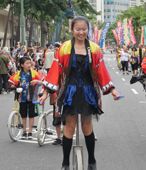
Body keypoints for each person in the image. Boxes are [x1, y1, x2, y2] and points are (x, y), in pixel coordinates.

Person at [39, 16, 121, 170]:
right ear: (72, 30)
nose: (81, 32)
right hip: (69, 92)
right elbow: (55, 72)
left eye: (84, 29)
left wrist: (113, 90)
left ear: (88, 30)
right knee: (69, 127)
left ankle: (92, 161)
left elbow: (102, 72)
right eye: (78, 29)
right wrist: (45, 92)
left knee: (87, 127)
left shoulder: (95, 49)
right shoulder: (63, 48)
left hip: (88, 91)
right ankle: (65, 163)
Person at [8, 56, 43, 139]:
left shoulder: (34, 72)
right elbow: (11, 81)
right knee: (23, 115)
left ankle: (30, 132)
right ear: (22, 65)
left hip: (31, 96)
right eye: (27, 63)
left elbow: (43, 80)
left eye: (30, 63)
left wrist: (37, 81)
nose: (29, 65)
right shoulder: (18, 74)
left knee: (31, 115)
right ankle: (24, 131)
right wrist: (13, 86)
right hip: (22, 97)